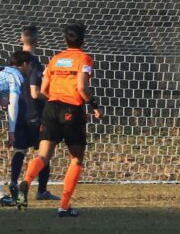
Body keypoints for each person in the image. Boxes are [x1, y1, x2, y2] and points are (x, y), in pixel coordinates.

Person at [16, 23, 103, 217]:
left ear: (65, 40)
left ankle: (26, 182)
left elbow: (44, 90)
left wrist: (56, 102)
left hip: (51, 108)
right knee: (76, 159)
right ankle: (64, 206)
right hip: (71, 109)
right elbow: (81, 88)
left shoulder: (55, 59)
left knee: (43, 156)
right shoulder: (84, 58)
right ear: (83, 40)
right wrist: (95, 106)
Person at [9, 26, 60, 203]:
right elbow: (34, 92)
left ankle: (13, 182)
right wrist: (53, 96)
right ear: (37, 42)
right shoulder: (33, 63)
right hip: (35, 114)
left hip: (17, 113)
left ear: (21, 40)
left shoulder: (12, 61)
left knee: (19, 150)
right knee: (43, 153)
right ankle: (42, 190)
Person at [0, 50, 32, 207]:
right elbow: (13, 105)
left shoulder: (4, 73)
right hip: (31, 122)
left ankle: (6, 193)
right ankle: (18, 185)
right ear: (25, 65)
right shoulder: (15, 76)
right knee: (41, 154)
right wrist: (11, 131)